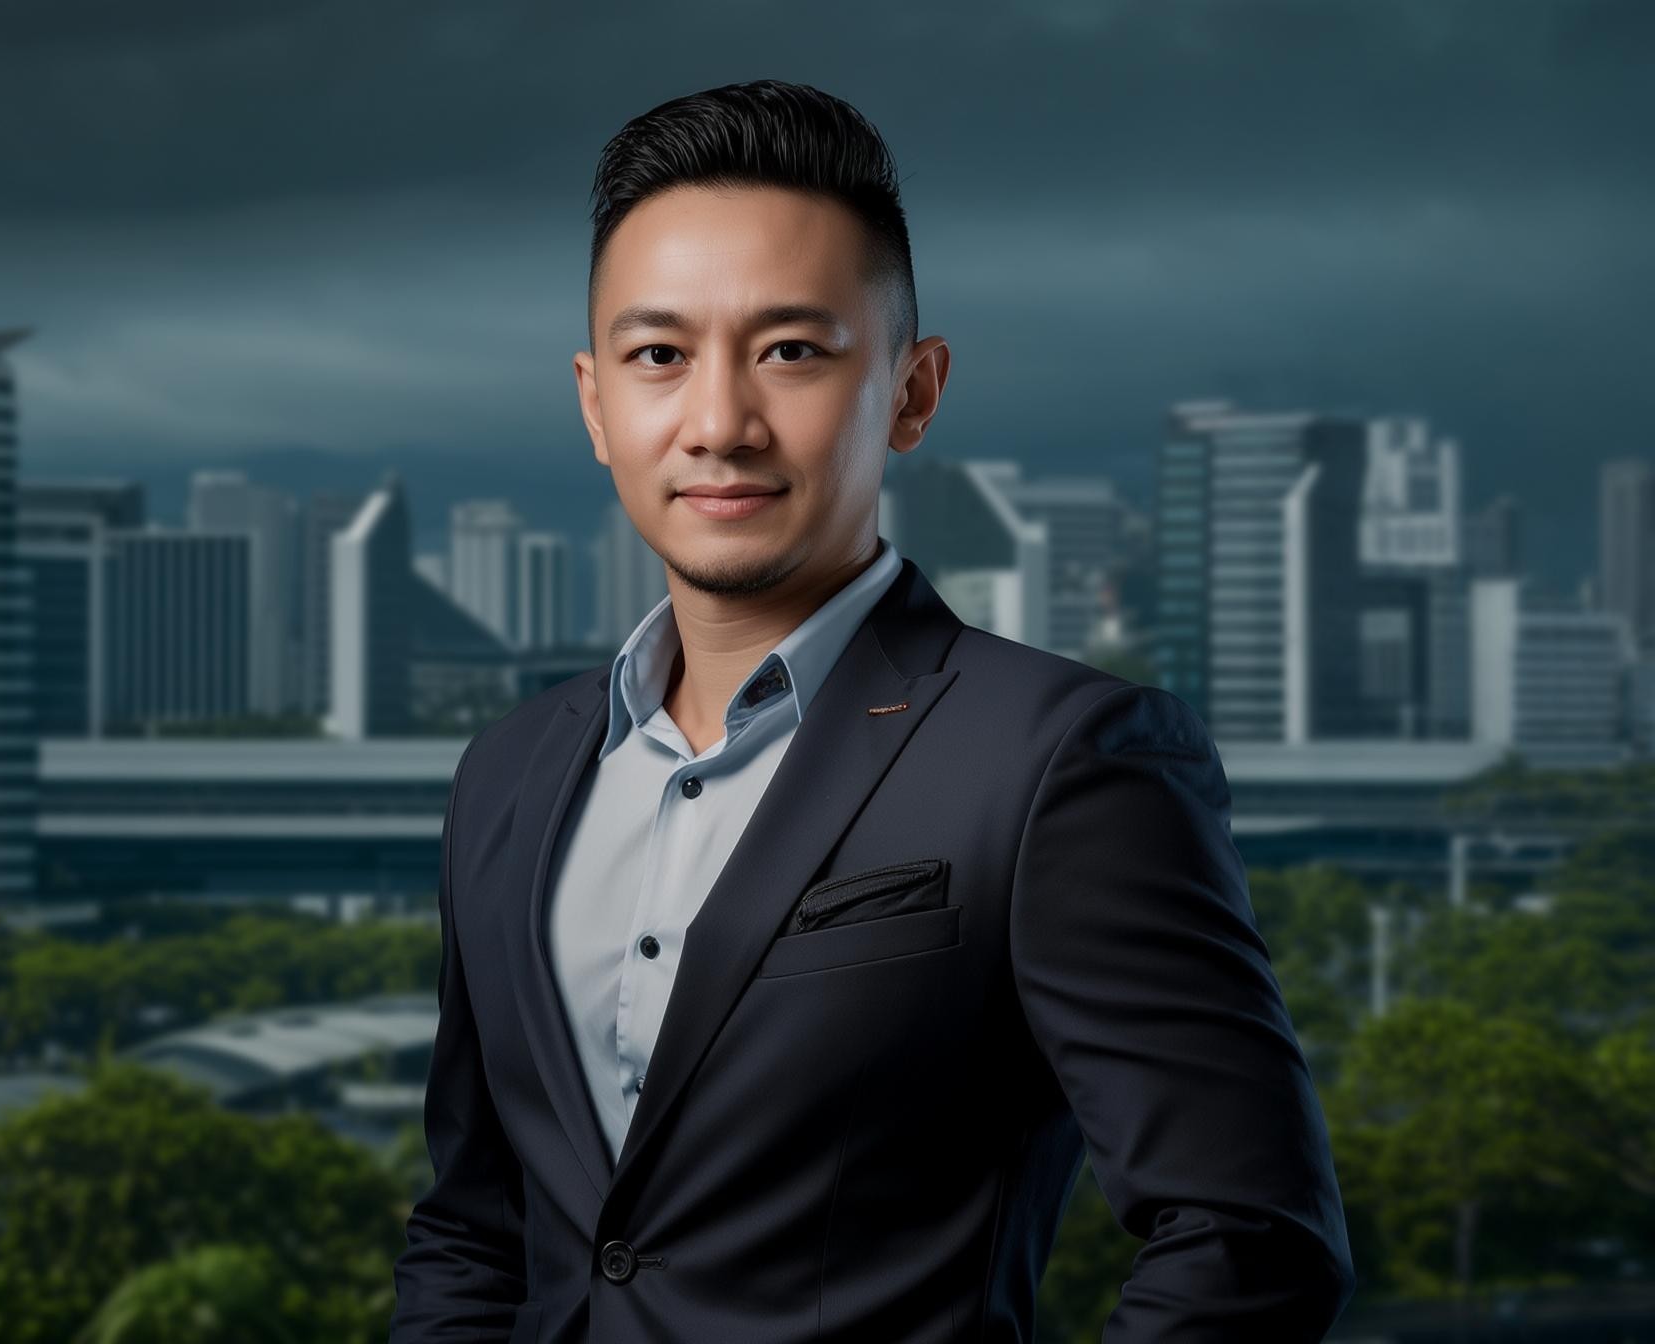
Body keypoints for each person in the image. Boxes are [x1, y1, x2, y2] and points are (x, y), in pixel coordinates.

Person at [389, 78, 1355, 1344]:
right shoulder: (509, 774)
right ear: (594, 402)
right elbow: (476, 1226)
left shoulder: (1062, 761)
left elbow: (1248, 1238)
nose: (719, 422)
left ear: (911, 389)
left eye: (791, 350)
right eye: (658, 356)